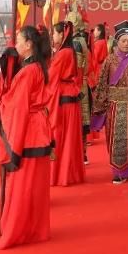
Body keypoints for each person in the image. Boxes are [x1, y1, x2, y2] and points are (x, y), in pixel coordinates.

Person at [0, 25, 53, 249]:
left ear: (28, 45)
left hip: (27, 131)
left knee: (21, 186)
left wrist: (13, 147)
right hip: (38, 129)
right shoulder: (38, 67)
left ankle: (15, 232)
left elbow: (17, 108)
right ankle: (36, 230)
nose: (15, 44)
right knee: (34, 186)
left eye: (18, 40)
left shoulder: (28, 72)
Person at [92, 21, 128, 184]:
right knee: (116, 140)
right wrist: (100, 107)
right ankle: (119, 172)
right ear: (117, 42)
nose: (126, 44)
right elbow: (102, 84)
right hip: (114, 107)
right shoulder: (109, 60)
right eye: (123, 41)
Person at [48, 21, 86, 186]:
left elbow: (51, 77)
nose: (53, 36)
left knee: (60, 136)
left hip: (63, 97)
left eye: (55, 33)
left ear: (62, 34)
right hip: (69, 95)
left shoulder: (63, 53)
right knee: (69, 138)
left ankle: (60, 175)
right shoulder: (68, 51)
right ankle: (68, 174)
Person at [68, 10, 93, 164]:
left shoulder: (75, 42)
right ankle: (82, 152)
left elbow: (77, 65)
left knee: (77, 119)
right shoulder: (82, 41)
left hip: (76, 83)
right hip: (82, 82)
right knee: (82, 121)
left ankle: (79, 152)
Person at [89, 22, 110, 132]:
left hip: (97, 71)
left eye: (96, 30)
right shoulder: (102, 42)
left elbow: (95, 58)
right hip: (99, 70)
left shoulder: (99, 43)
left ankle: (96, 124)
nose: (94, 32)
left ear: (100, 31)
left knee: (96, 100)